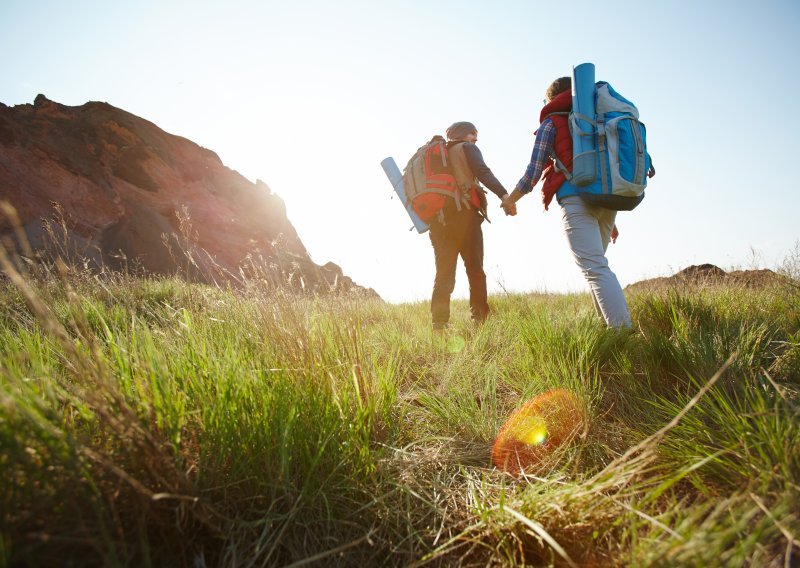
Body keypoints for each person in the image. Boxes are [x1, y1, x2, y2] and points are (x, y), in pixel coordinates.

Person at [502, 77, 655, 328]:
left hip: (576, 198)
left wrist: (511, 198)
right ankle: (607, 329)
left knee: (595, 268)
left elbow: (533, 171)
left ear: (552, 99)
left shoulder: (552, 122)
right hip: (607, 201)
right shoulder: (598, 120)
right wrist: (609, 217)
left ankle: (622, 333)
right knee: (596, 268)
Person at [429, 121, 515, 331]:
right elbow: (483, 172)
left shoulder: (435, 156)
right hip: (464, 217)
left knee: (444, 273)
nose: (475, 139)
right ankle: (480, 320)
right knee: (475, 269)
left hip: (438, 221)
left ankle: (439, 324)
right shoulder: (467, 148)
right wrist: (504, 195)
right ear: (461, 135)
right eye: (472, 134)